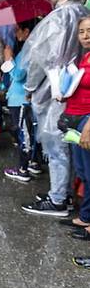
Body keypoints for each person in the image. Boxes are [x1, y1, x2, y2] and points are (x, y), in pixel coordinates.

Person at [20, 0, 90, 217]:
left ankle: (58, 198)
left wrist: (29, 87)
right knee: (69, 145)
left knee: (55, 143)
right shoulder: (82, 14)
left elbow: (39, 58)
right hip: (77, 94)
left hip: (55, 92)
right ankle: (64, 193)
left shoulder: (59, 18)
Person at [58, 16, 90, 235]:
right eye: (81, 31)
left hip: (87, 121)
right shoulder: (85, 57)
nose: (85, 36)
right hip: (75, 119)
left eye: (89, 30)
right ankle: (85, 216)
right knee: (83, 172)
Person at [2, 18, 43, 182]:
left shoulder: (28, 50)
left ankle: (22, 169)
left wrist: (8, 59)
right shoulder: (31, 48)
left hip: (20, 100)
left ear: (27, 32)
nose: (14, 32)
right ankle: (34, 163)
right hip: (23, 99)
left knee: (23, 135)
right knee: (30, 134)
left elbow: (18, 75)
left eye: (18, 29)